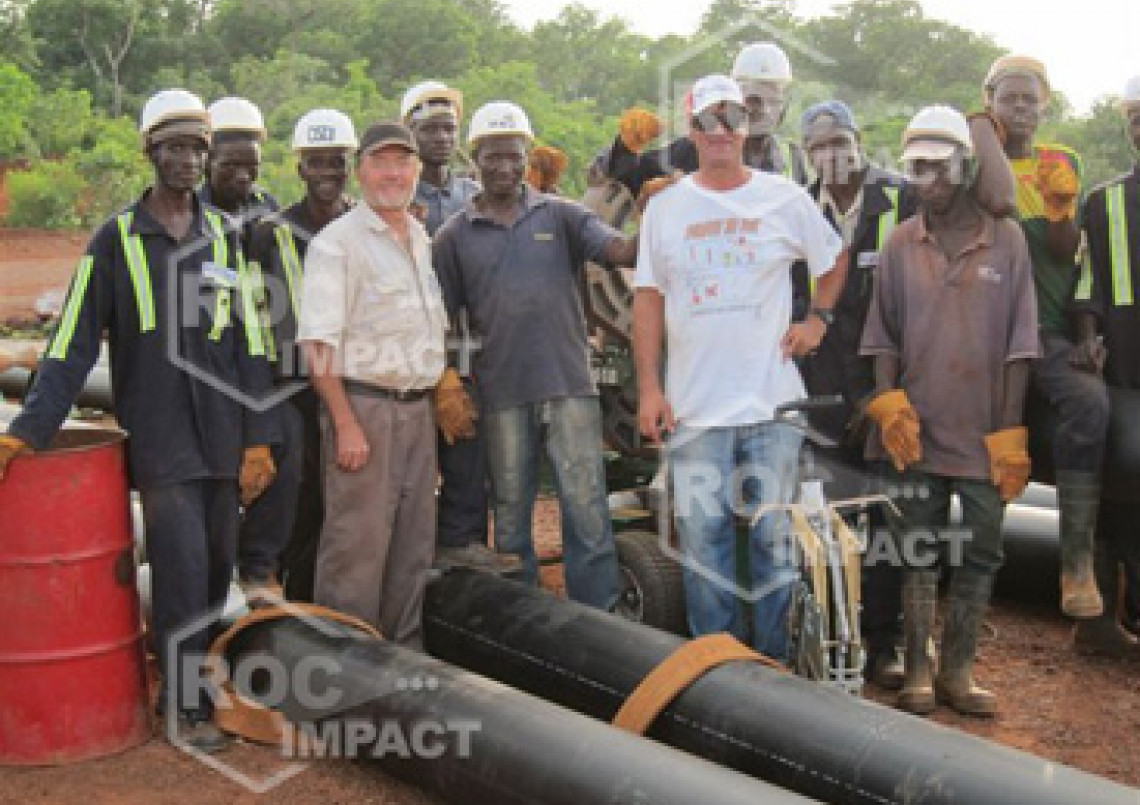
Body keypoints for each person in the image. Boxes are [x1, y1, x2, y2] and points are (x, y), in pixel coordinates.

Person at [0, 89, 279, 752]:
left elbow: (252, 344)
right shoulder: (116, 239)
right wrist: (27, 430)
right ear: (149, 153)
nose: (186, 160)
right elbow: (70, 342)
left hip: (221, 436)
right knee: (180, 569)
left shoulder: (226, 237)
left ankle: (192, 686)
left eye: (196, 148)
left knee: (214, 570)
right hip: (161, 441)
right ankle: (183, 708)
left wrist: (259, 438)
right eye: (173, 147)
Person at [633, 75, 845, 660]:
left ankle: (773, 666)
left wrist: (817, 322)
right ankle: (717, 663)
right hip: (695, 410)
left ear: (746, 125)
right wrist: (650, 388)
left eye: (731, 117)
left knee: (775, 539)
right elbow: (647, 299)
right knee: (704, 543)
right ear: (692, 128)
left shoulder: (784, 198)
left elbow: (833, 261)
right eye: (708, 119)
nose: (720, 130)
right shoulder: (665, 210)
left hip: (771, 406)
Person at [861, 105, 1039, 717]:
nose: (925, 182)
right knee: (916, 549)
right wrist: (890, 409)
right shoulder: (901, 244)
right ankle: (917, 671)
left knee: (982, 553)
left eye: (938, 168)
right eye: (916, 169)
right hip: (920, 433)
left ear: (964, 168)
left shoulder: (1007, 241)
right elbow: (882, 336)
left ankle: (958, 673)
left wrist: (1010, 434)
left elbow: (1021, 345)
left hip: (986, 433)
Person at [432, 100, 637, 611]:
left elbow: (620, 253)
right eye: (493, 157)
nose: (505, 167)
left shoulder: (562, 215)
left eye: (515, 156)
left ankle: (602, 618)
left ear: (528, 157)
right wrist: (449, 381)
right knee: (511, 513)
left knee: (587, 510)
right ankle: (525, 621)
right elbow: (442, 320)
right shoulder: (455, 236)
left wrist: (668, 205)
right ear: (473, 159)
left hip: (569, 385)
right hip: (500, 393)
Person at [298, 121, 447, 647]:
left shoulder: (420, 237)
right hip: (365, 410)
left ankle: (404, 662)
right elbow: (318, 346)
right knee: (356, 550)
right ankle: (344, 674)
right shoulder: (337, 245)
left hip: (416, 412)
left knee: (412, 547)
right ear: (360, 171)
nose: (393, 173)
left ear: (417, 170)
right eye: (382, 163)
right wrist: (345, 424)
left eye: (403, 163)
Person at [797, 100, 919, 687]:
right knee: (825, 521)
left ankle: (885, 643)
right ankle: (827, 636)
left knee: (888, 518)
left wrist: (890, 390)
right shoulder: (796, 208)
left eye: (839, 141)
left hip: (889, 389)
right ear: (807, 153)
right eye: (818, 145)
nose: (831, 154)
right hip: (822, 391)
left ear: (859, 140)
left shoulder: (902, 198)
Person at [985, 54, 1110, 619]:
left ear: (1045, 106)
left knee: (1088, 401)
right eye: (1008, 98)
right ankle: (972, 568)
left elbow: (1064, 254)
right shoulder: (973, 162)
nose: (1019, 108)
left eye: (1029, 99)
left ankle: (1076, 563)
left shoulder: (1063, 160)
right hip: (988, 330)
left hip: (1049, 325)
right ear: (990, 102)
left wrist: (1061, 213)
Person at [244, 108, 358, 602]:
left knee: (346, 501)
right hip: (291, 390)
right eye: (317, 163)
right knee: (299, 496)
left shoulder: (366, 225)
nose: (327, 173)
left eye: (337, 162)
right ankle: (288, 602)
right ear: (300, 169)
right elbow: (251, 316)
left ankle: (332, 603)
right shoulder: (270, 234)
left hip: (352, 387)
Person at [400, 80, 508, 572]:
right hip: (406, 344)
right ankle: (413, 551)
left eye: (448, 128)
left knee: (467, 442)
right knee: (414, 459)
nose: (441, 137)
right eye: (430, 129)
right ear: (410, 131)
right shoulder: (399, 193)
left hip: (469, 341)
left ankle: (463, 544)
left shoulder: (473, 193)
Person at [1069, 74, 1140, 656]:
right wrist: (1089, 339)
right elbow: (1089, 283)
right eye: (1137, 119)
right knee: (1120, 487)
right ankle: (1103, 624)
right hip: (1124, 367)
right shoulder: (1104, 200)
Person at [601, 42, 809, 202]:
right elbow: (625, 181)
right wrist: (625, 147)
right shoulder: (696, 148)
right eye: (753, 100)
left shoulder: (792, 159)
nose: (763, 109)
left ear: (784, 107)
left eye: (773, 100)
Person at [201, 96, 279, 226]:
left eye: (252, 165)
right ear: (207, 162)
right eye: (231, 165)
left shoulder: (267, 205)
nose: (243, 176)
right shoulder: (191, 215)